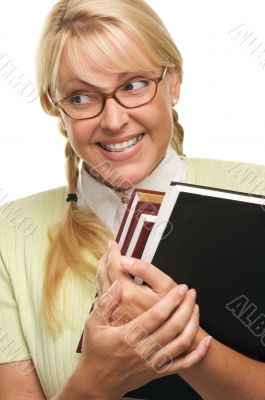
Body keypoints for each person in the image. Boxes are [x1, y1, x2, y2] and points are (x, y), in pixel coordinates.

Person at [0, 0, 264, 399]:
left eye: (134, 85)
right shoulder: (9, 236)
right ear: (56, 109)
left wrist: (184, 344)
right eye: (81, 97)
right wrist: (96, 380)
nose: (113, 119)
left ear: (173, 82)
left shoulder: (256, 192)